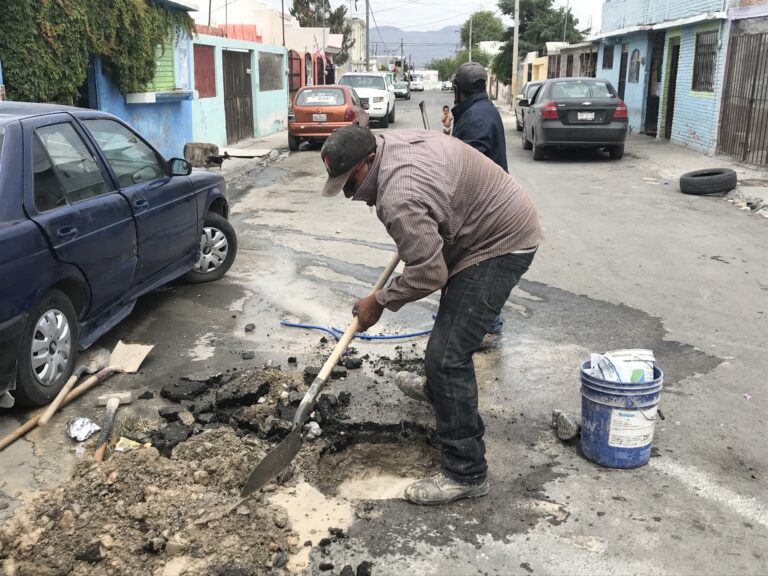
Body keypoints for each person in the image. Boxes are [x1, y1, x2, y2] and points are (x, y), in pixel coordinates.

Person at [318, 125, 542, 506]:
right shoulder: (388, 145)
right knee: (450, 332)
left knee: (447, 357)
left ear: (369, 160)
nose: (347, 191)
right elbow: (427, 251)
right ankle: (443, 395)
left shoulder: (398, 196)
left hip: (500, 242)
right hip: (483, 222)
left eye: (349, 179)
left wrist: (380, 300)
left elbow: (430, 273)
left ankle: (466, 472)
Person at [451, 62, 509, 341]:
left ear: (457, 89)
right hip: (488, 203)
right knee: (476, 267)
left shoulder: (476, 119)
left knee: (476, 266)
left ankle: (487, 325)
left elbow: (469, 169)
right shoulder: (479, 111)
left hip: (484, 207)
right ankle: (482, 322)